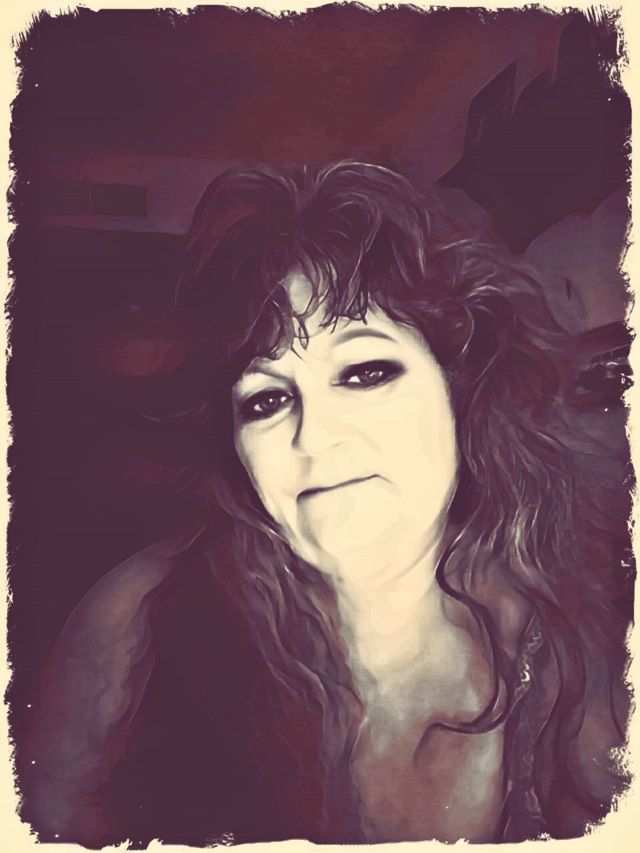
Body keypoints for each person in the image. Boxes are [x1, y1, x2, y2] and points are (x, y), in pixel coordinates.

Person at [20, 162, 631, 846]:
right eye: (267, 399)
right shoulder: (139, 615)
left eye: (365, 372)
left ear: (459, 393)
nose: (314, 438)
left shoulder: (559, 648)